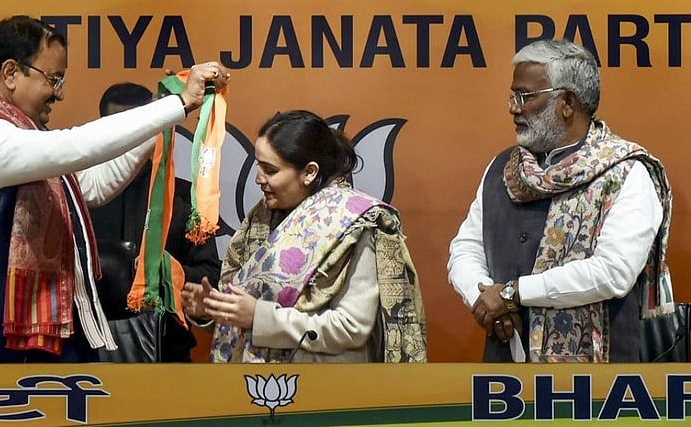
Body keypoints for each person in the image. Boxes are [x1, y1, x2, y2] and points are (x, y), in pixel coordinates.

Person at [0, 15, 228, 363]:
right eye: (53, 78)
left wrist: (164, 111)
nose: (58, 93)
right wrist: (176, 104)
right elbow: (76, 145)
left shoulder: (25, 142)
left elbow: (91, 184)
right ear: (11, 72)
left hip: (50, 346)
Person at [447, 39, 673, 363]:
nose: (513, 107)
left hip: (597, 387)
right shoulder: (503, 169)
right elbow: (465, 248)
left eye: (525, 96)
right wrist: (485, 302)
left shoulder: (626, 173)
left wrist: (513, 294)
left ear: (567, 102)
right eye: (513, 96)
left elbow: (613, 271)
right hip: (503, 377)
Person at [182, 110, 427, 363]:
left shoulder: (354, 223)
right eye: (259, 166)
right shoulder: (260, 220)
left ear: (309, 172)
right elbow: (243, 317)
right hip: (253, 389)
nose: (258, 179)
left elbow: (350, 328)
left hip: (323, 392)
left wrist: (259, 318)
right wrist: (210, 312)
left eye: (270, 169)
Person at [90, 82, 221, 362]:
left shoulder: (186, 198)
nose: (128, 141)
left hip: (168, 351)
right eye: (117, 130)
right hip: (91, 351)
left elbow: (211, 275)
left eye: (138, 130)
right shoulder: (80, 197)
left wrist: (167, 270)